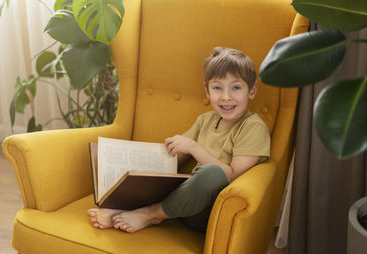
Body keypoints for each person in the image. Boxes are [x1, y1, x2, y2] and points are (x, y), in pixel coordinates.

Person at [86, 47, 270, 233]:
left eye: (236, 88)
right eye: (217, 88)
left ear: (252, 90)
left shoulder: (253, 127)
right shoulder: (206, 120)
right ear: (207, 90)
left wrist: (193, 147)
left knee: (212, 173)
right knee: (161, 172)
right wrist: (138, 160)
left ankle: (151, 214)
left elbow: (231, 176)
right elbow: (174, 156)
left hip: (209, 208)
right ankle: (127, 209)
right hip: (184, 199)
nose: (225, 97)